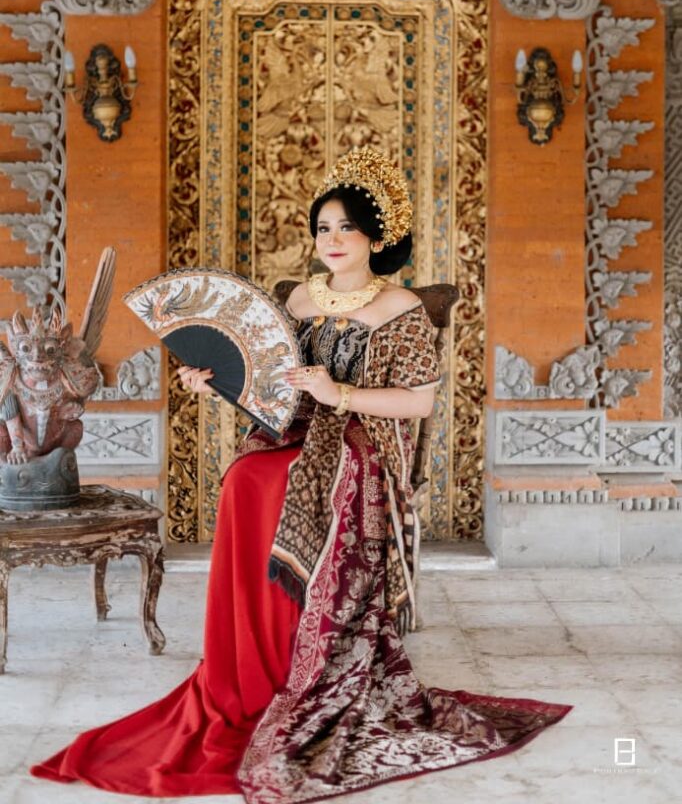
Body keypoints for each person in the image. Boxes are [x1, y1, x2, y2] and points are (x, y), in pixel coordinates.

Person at [31, 147, 571, 802]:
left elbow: (419, 403)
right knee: (245, 479)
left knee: (280, 482)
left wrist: (339, 393)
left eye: (346, 227)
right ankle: (245, 664)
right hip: (293, 429)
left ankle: (307, 655)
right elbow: (266, 382)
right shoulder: (298, 297)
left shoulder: (400, 308)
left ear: (376, 235)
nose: (332, 240)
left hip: (360, 437)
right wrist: (211, 380)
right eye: (322, 228)